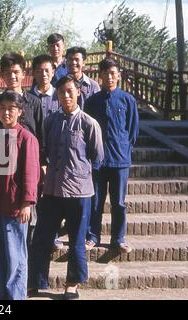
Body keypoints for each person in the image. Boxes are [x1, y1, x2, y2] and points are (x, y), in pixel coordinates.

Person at [28, 74, 104, 300]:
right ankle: (35, 281)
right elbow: (45, 152)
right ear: (57, 96)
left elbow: (97, 156)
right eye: (61, 92)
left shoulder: (89, 123)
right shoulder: (51, 121)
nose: (66, 96)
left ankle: (72, 283)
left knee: (77, 239)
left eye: (70, 91)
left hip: (79, 192)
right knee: (41, 237)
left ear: (78, 92)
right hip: (52, 190)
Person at [0, 91, 40, 300]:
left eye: (11, 108)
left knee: (15, 260)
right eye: (2, 108)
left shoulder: (27, 138)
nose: (5, 112)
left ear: (20, 111)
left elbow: (31, 173)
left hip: (14, 209)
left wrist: (27, 203)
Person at [0, 52, 45, 248]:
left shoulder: (34, 103)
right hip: (2, 168)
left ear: (23, 74)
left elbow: (40, 134)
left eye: (16, 72)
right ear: (2, 75)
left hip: (27, 168)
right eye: (7, 73)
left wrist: (42, 164)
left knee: (28, 218)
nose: (12, 76)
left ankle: (23, 266)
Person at [85, 58, 139, 253]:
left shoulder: (127, 100)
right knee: (95, 201)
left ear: (119, 75)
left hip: (120, 160)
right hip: (98, 160)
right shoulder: (92, 102)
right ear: (99, 75)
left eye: (113, 73)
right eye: (105, 73)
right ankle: (92, 236)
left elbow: (133, 131)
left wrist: (123, 148)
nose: (109, 77)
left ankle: (118, 239)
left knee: (118, 202)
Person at [29, 54, 64, 250]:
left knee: (54, 198)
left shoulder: (60, 96)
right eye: (39, 70)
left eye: (47, 70)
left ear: (53, 72)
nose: (43, 74)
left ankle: (54, 234)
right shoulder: (27, 98)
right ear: (33, 73)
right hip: (33, 156)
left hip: (57, 156)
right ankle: (34, 234)